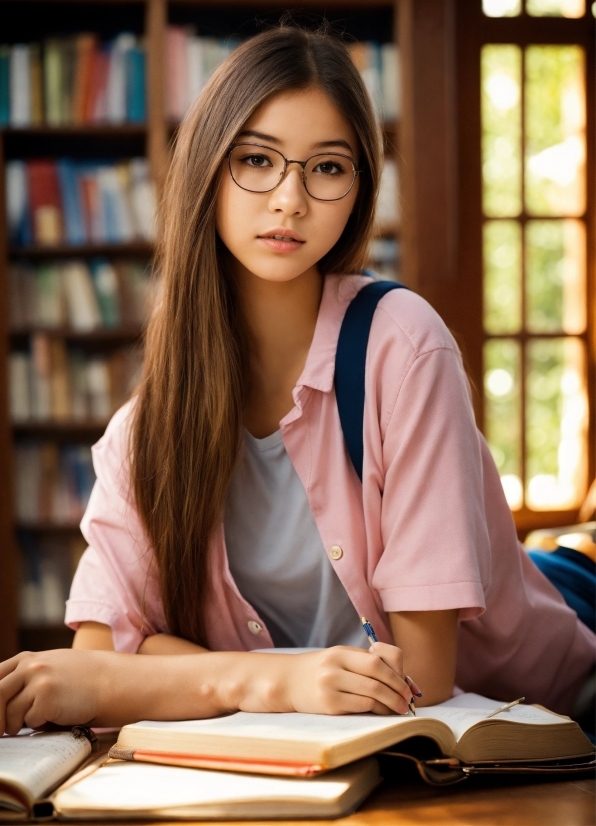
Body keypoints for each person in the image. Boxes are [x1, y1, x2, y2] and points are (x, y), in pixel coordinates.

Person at [0, 25, 594, 736]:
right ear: (207, 170)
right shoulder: (148, 427)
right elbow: (97, 660)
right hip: (331, 750)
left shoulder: (402, 345)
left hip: (544, 715)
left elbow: (421, 676)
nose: (290, 199)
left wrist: (176, 671)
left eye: (328, 168)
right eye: (257, 159)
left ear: (357, 189)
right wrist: (269, 678)